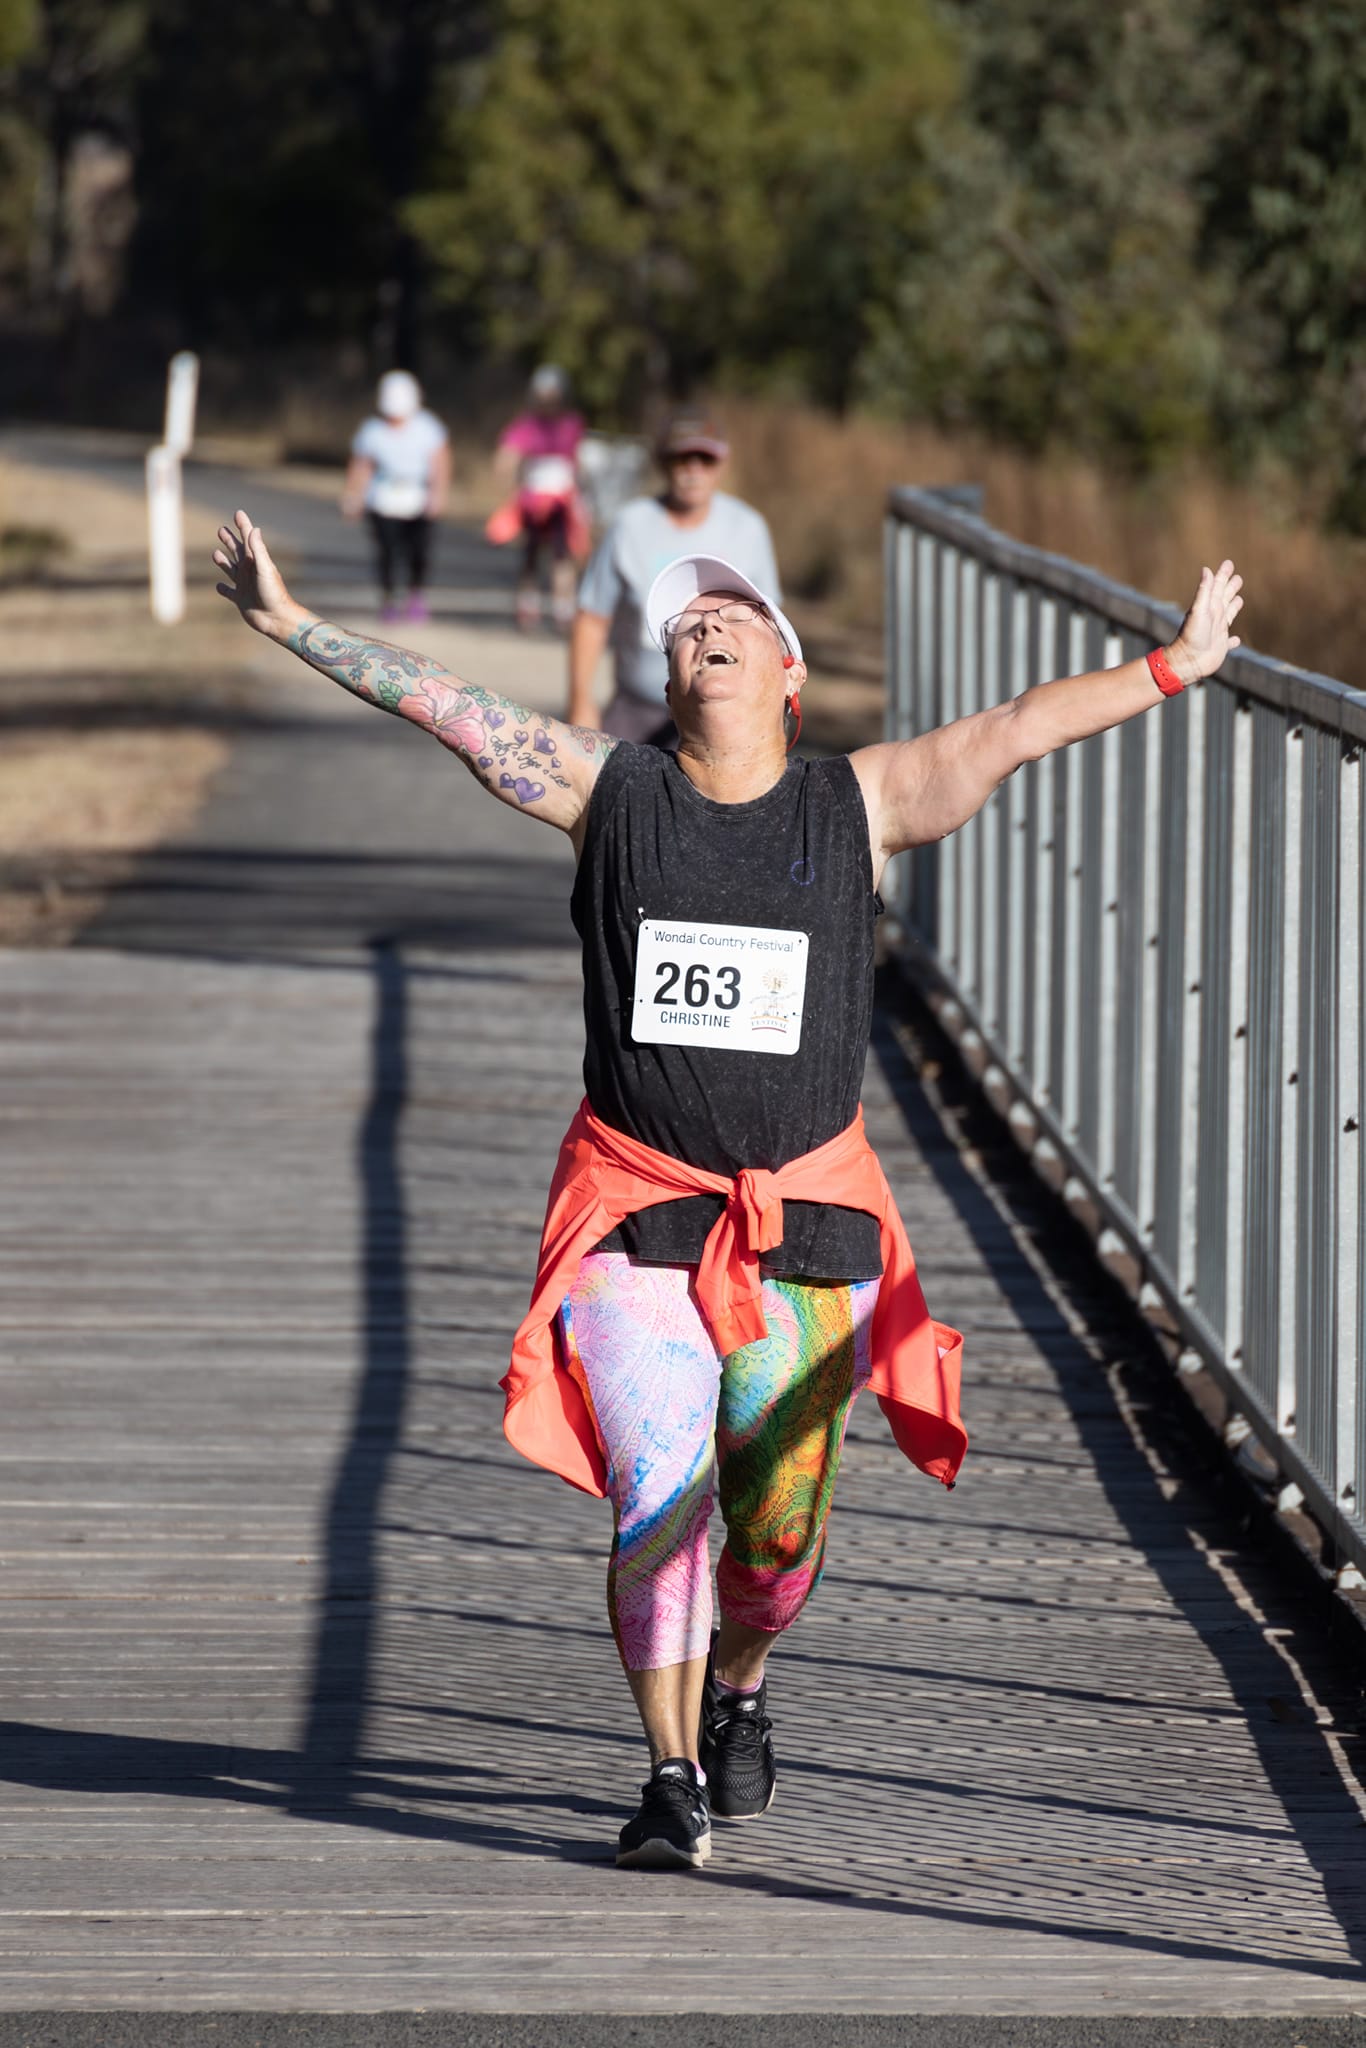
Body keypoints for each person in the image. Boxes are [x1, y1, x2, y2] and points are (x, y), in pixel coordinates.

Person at [212, 506, 1243, 1873]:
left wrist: (1169, 665)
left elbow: (1011, 728)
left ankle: (742, 1686)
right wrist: (294, 626)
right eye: (685, 625)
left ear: (786, 672)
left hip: (804, 1235)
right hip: (634, 1216)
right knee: (660, 1490)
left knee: (775, 1540)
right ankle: (671, 1771)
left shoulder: (860, 800)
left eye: (732, 619)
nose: (704, 628)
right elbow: (456, 711)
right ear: (666, 677)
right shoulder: (608, 790)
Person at [568, 411, 780, 746]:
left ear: (721, 464)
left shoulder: (748, 529)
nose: (693, 470)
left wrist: (768, 709)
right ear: (663, 463)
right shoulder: (630, 526)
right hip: (636, 710)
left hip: (723, 713)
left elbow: (770, 630)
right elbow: (592, 618)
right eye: (682, 459)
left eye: (704, 459)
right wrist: (581, 701)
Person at [342, 370, 451, 624]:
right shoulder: (372, 430)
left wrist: (439, 494)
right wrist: (352, 496)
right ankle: (389, 599)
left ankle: (416, 595)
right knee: (387, 552)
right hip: (383, 499)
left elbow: (441, 462)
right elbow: (362, 465)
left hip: (418, 497)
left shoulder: (428, 427)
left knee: (419, 552)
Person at [491, 365, 588, 633]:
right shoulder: (526, 425)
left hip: (561, 501)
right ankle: (528, 604)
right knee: (531, 554)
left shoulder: (571, 424)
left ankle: (563, 608)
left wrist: (581, 499)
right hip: (533, 500)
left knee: (562, 554)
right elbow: (507, 457)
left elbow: (578, 462)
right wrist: (509, 486)